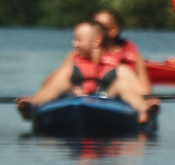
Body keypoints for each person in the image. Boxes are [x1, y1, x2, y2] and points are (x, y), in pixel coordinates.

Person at [18, 20, 157, 122]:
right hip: (78, 95)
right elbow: (48, 85)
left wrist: (147, 100)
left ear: (96, 41)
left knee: (123, 83)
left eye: (78, 40)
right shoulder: (73, 61)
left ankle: (144, 111)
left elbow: (142, 91)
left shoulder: (119, 65)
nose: (74, 44)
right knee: (62, 84)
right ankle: (31, 107)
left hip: (109, 97)